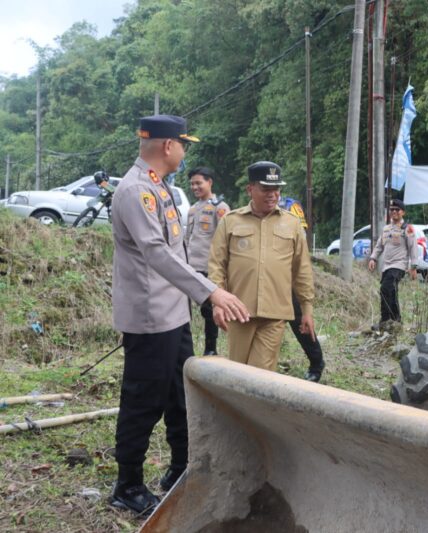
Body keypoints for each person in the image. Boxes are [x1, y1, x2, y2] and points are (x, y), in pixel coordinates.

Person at [110, 115, 250, 515]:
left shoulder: (161, 188)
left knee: (179, 395)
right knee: (143, 400)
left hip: (174, 312)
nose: (185, 151)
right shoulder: (136, 191)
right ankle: (128, 485)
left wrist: (203, 297)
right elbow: (156, 253)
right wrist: (211, 292)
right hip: (150, 317)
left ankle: (180, 467)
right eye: (183, 144)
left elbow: (179, 252)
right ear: (168, 146)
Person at [208, 161, 315, 372]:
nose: (272, 194)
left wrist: (307, 310)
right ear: (250, 189)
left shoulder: (292, 224)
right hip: (239, 310)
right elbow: (217, 265)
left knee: (261, 373)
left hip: (275, 314)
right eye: (266, 188)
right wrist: (217, 303)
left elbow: (301, 269)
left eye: (276, 189)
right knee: (238, 371)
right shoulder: (230, 221)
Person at [278, 196, 326, 382]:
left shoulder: (289, 205)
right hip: (267, 278)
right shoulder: (255, 211)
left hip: (290, 275)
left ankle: (316, 362)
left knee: (300, 323)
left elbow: (302, 237)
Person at [185, 167, 230, 356]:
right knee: (183, 309)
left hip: (208, 268)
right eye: (192, 184)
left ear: (209, 182)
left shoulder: (220, 208)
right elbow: (189, 238)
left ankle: (210, 349)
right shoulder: (193, 209)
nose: (195, 187)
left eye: (199, 183)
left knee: (209, 311)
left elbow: (226, 239)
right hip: (190, 267)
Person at [368, 199, 418, 330]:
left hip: (399, 266)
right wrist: (373, 258)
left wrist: (413, 267)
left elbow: (413, 248)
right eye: (392, 209)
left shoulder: (407, 229)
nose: (394, 212)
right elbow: (379, 246)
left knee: (385, 289)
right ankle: (396, 321)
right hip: (387, 266)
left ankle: (385, 321)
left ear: (403, 212)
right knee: (391, 291)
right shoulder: (386, 229)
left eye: (397, 210)